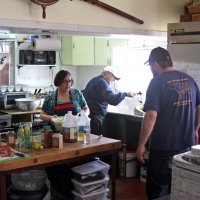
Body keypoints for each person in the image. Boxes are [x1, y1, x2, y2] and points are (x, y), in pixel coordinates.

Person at [136, 47, 200, 200]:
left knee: (158, 191)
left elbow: (151, 115)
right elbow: (199, 107)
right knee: (180, 189)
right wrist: (195, 130)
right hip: (186, 146)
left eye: (151, 65)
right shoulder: (189, 79)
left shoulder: (157, 82)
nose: (151, 69)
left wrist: (141, 145)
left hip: (163, 149)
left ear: (156, 64)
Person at [40, 70, 89, 200]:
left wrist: (84, 116)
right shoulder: (51, 97)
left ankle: (76, 191)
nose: (68, 84)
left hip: (76, 137)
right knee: (57, 168)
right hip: (58, 139)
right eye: (65, 81)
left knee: (77, 164)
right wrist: (51, 118)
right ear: (59, 82)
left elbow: (86, 108)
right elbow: (42, 114)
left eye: (70, 81)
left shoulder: (76, 93)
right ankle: (62, 193)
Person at [83, 65, 134, 136]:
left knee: (92, 140)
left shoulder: (95, 80)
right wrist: (126, 94)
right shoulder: (102, 82)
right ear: (107, 73)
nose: (113, 80)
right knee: (96, 140)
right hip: (95, 117)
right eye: (113, 77)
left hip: (90, 116)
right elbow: (113, 100)